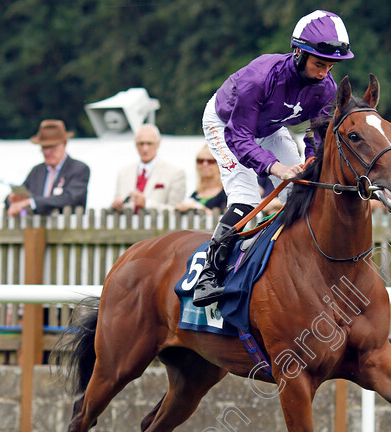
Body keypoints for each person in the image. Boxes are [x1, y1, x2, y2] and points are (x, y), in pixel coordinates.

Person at [193, 9, 354, 306]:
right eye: (319, 64)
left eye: (330, 67)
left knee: (305, 188)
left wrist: (308, 162)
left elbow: (315, 136)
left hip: (269, 127)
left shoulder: (326, 88)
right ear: (298, 52)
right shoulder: (260, 77)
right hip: (226, 123)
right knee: (246, 198)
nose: (323, 74)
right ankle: (209, 275)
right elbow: (239, 136)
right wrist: (274, 167)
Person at [7, 120, 89, 217]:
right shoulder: (37, 171)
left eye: (52, 147)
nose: (47, 152)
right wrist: (14, 199)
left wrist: (32, 202)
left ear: (64, 144)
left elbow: (69, 198)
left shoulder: (78, 169)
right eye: (44, 147)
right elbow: (23, 194)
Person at [111, 124, 186, 213]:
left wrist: (147, 204)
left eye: (149, 144)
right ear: (135, 144)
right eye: (141, 144)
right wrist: (116, 205)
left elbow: (176, 211)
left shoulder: (175, 173)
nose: (145, 148)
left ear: (158, 143)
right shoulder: (123, 172)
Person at [175, 145, 227, 213]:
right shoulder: (195, 194)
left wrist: (197, 206)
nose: (205, 164)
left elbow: (225, 218)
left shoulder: (226, 194)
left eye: (210, 161)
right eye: (200, 161)